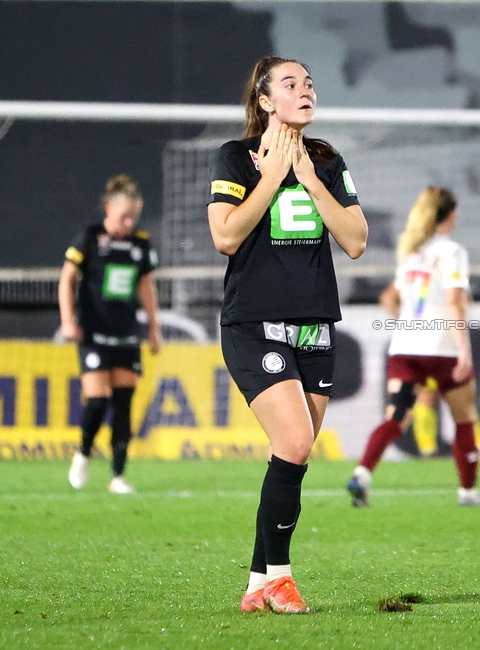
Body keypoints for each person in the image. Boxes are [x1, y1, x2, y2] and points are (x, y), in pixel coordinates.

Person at [208, 57, 368, 615]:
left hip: (315, 324)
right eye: (291, 83)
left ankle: (258, 582)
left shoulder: (326, 159)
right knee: (297, 442)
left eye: (309, 82)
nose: (305, 90)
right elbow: (225, 236)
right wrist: (273, 176)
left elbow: (355, 240)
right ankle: (281, 577)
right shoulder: (237, 156)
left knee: (292, 454)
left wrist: (306, 178)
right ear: (266, 99)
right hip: (254, 325)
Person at [346, 186, 480, 508]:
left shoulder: (411, 251)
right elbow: (455, 301)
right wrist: (464, 349)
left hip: (406, 348)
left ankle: (361, 475)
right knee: (464, 417)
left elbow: (388, 298)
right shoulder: (452, 252)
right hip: (442, 348)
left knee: (395, 417)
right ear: (451, 215)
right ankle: (468, 493)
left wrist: (408, 323)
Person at [62, 174, 161, 495]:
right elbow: (67, 279)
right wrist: (68, 320)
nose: (129, 223)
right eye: (124, 216)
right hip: (93, 330)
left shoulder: (140, 243)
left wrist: (154, 328)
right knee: (97, 399)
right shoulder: (90, 237)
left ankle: (117, 475)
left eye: (134, 217)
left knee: (123, 404)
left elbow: (146, 286)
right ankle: (82, 452)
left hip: (126, 333)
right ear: (108, 208)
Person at [378, 283, 480, 457]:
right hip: (431, 345)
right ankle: (430, 450)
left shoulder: (447, 270)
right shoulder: (424, 270)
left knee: (459, 398)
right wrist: (406, 322)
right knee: (429, 397)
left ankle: (473, 448)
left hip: (447, 342)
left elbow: (463, 302)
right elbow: (388, 297)